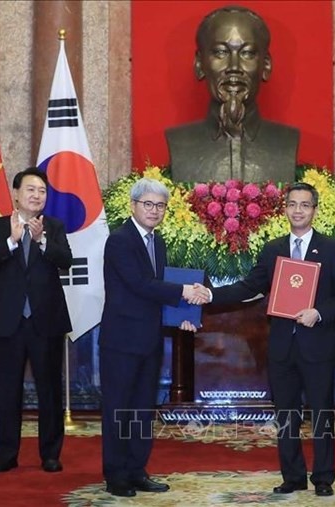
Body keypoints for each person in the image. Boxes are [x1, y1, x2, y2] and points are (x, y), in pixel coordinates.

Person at [202, 182, 335, 497]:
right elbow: (250, 287)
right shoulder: (273, 249)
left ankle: (323, 478)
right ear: (284, 208)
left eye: (305, 205)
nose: (298, 210)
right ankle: (293, 476)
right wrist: (210, 294)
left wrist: (319, 312)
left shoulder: (331, 248)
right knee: (285, 415)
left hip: (318, 345)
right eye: (292, 204)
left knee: (321, 413)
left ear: (314, 210)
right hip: (282, 347)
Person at [99, 178, 208, 498]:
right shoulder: (120, 241)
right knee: (119, 408)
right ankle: (116, 475)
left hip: (149, 339)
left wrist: (184, 315)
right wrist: (185, 293)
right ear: (133, 205)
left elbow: (156, 295)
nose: (154, 210)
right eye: (148, 204)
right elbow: (140, 284)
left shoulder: (157, 242)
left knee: (143, 410)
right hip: (121, 341)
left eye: (160, 206)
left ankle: (136, 470)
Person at [0, 167, 72, 473]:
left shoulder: (54, 227)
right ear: (16, 194)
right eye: (31, 190)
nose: (37, 195)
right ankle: (6, 455)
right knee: (8, 390)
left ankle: (51, 454)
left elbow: (65, 261)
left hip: (46, 321)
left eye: (42, 191)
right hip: (9, 321)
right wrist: (11, 240)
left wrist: (42, 240)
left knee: (49, 390)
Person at [166, 5, 299, 183]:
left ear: (266, 65)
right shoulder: (179, 142)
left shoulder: (286, 141)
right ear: (199, 64)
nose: (234, 67)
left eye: (247, 53)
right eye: (221, 52)